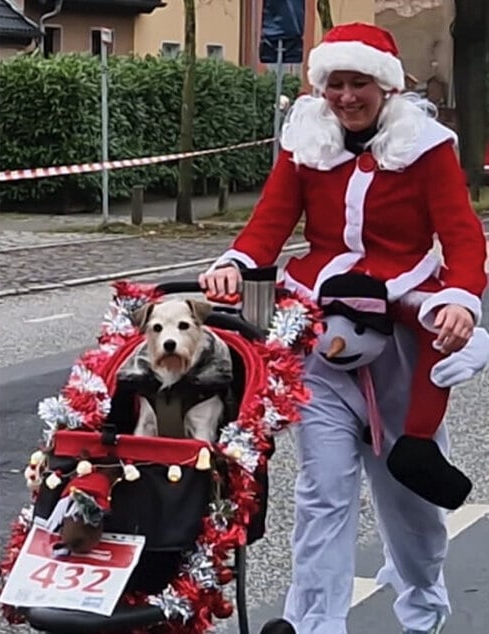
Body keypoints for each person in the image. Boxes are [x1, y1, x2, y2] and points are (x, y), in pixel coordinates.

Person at [199, 23, 487, 634]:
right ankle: (315, 623)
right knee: (323, 490)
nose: (346, 98)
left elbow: (462, 235)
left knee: (408, 499)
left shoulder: (428, 146)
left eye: (359, 84)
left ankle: (422, 604)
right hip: (320, 331)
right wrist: (233, 264)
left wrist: (462, 299)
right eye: (335, 84)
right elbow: (269, 223)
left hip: (403, 339)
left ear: (384, 86)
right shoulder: (305, 141)